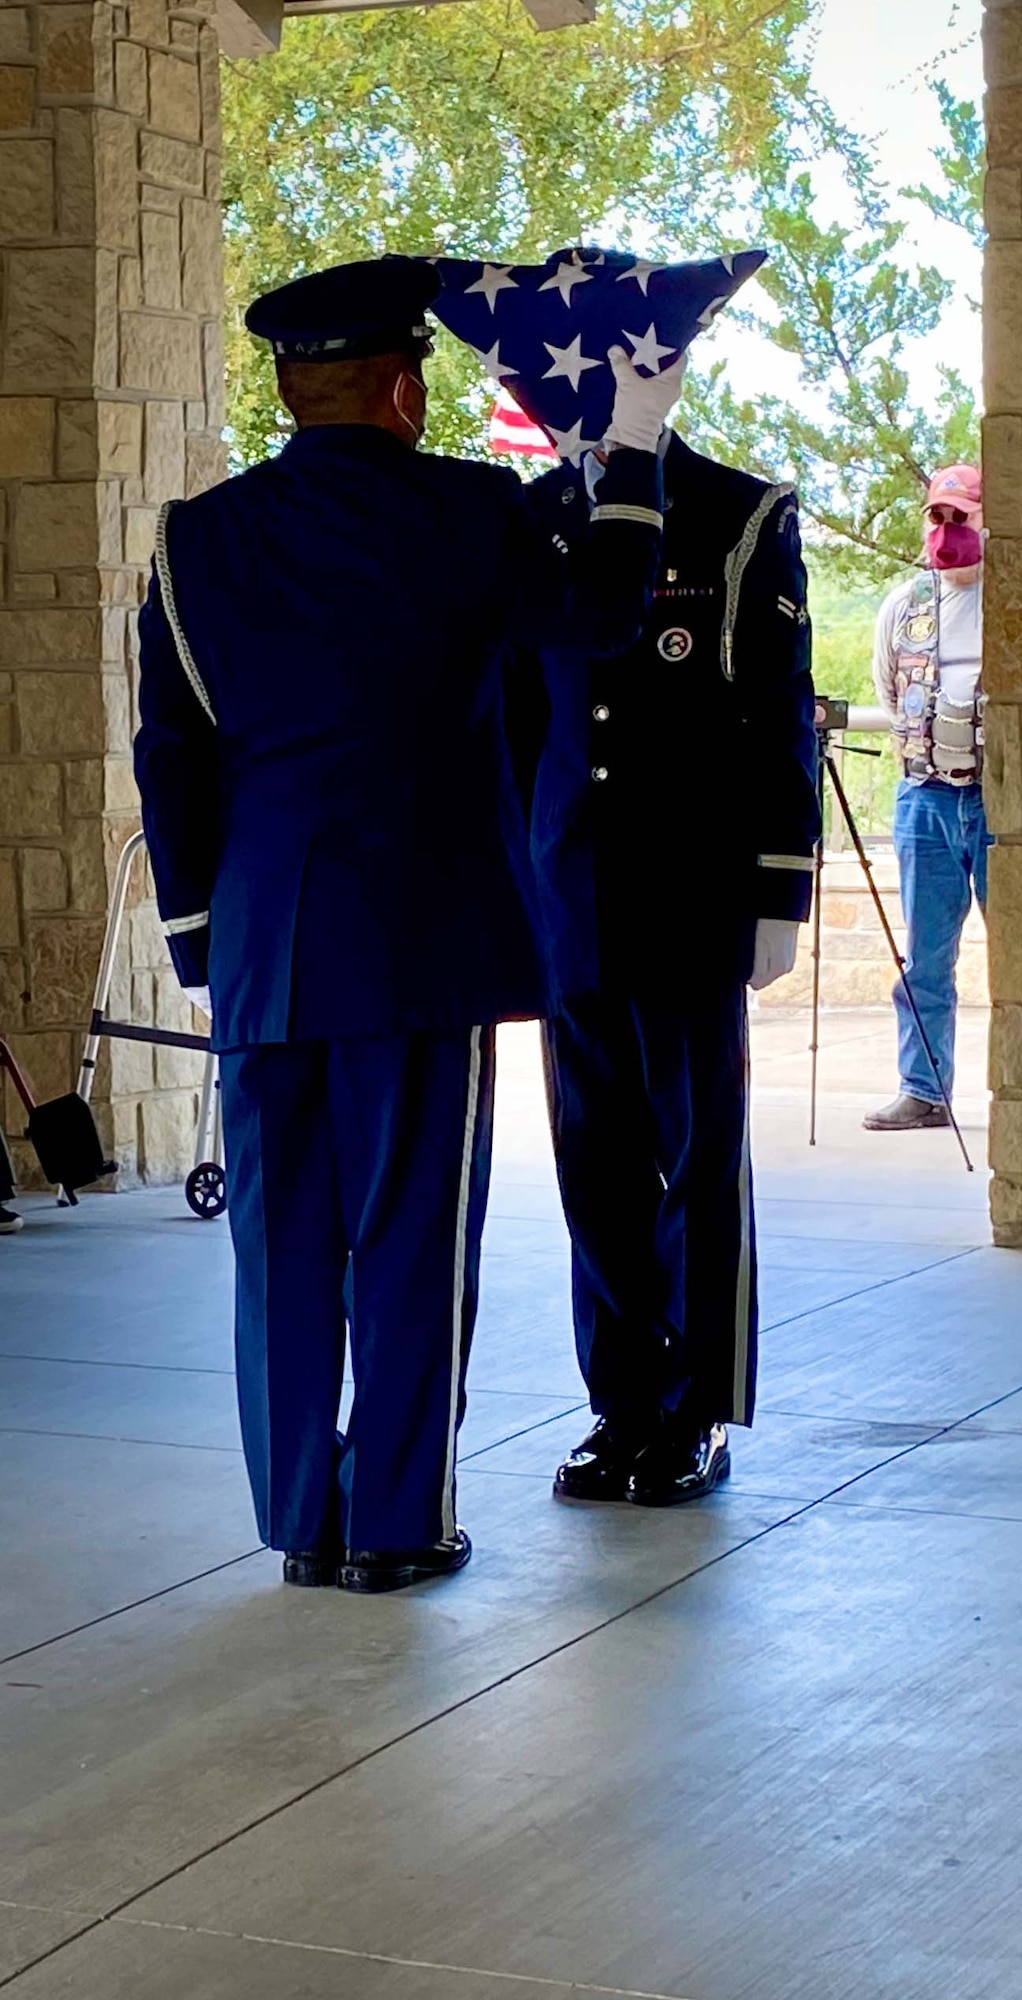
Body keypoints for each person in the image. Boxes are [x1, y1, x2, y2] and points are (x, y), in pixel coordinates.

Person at [132, 258, 679, 1593]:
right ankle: (395, 1527)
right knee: (409, 1241)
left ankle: (302, 1529)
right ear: (397, 390)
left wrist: (204, 942)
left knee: (280, 1249)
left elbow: (173, 757)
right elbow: (601, 611)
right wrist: (635, 450)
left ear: (287, 392)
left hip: (266, 944)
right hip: (421, 941)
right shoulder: (468, 513)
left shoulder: (196, 540)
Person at [522, 432, 819, 1506]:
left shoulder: (737, 514)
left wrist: (776, 885)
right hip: (571, 894)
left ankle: (693, 1408)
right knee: (593, 1164)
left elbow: (779, 710)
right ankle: (621, 1401)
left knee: (694, 1155)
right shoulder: (539, 513)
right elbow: (520, 717)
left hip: (687, 888)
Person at [864, 463, 988, 1133]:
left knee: (1021, 950)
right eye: (936, 517)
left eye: (958, 517)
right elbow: (888, 690)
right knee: (925, 957)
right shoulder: (904, 605)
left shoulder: (1014, 598)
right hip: (926, 799)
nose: (946, 531)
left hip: (997, 802)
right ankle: (923, 1087)